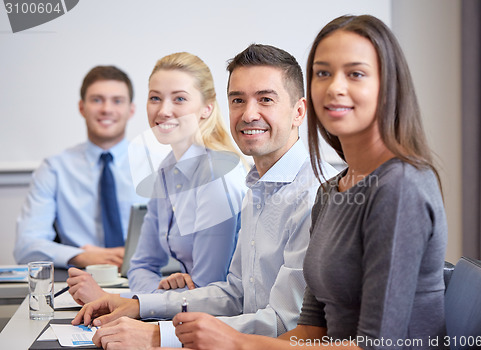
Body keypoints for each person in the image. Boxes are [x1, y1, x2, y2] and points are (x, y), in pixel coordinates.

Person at [169, 15, 448, 350]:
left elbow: (375, 347)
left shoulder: (401, 187)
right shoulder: (332, 191)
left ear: (387, 87)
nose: (334, 87)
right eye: (323, 73)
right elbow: (309, 332)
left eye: (355, 74)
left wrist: (237, 343)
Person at [72, 44, 338, 349]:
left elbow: (283, 323)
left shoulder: (315, 193)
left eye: (265, 99)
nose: (249, 113)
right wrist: (137, 304)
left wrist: (159, 336)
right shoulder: (258, 187)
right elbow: (234, 294)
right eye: (238, 100)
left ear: (299, 111)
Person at [67, 52, 247, 304]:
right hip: (185, 312)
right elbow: (140, 265)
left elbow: (209, 292)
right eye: (155, 98)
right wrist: (161, 292)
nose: (163, 110)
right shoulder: (166, 170)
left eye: (180, 99)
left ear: (207, 108)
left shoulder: (216, 176)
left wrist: (132, 301)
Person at [14, 66, 145, 269]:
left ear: (131, 110)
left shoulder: (158, 166)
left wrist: (137, 255)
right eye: (97, 100)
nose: (107, 109)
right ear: (82, 107)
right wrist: (80, 256)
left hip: (148, 281)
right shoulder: (54, 168)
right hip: (80, 280)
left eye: (117, 101)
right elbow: (26, 246)